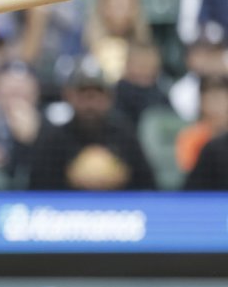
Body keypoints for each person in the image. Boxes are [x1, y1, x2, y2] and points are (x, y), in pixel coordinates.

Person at [27, 57, 156, 190]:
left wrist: (119, 176)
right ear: (69, 96)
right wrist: (70, 177)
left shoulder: (124, 137)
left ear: (110, 98)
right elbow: (37, 191)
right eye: (84, 94)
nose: (90, 103)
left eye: (97, 94)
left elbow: (148, 188)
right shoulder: (54, 141)